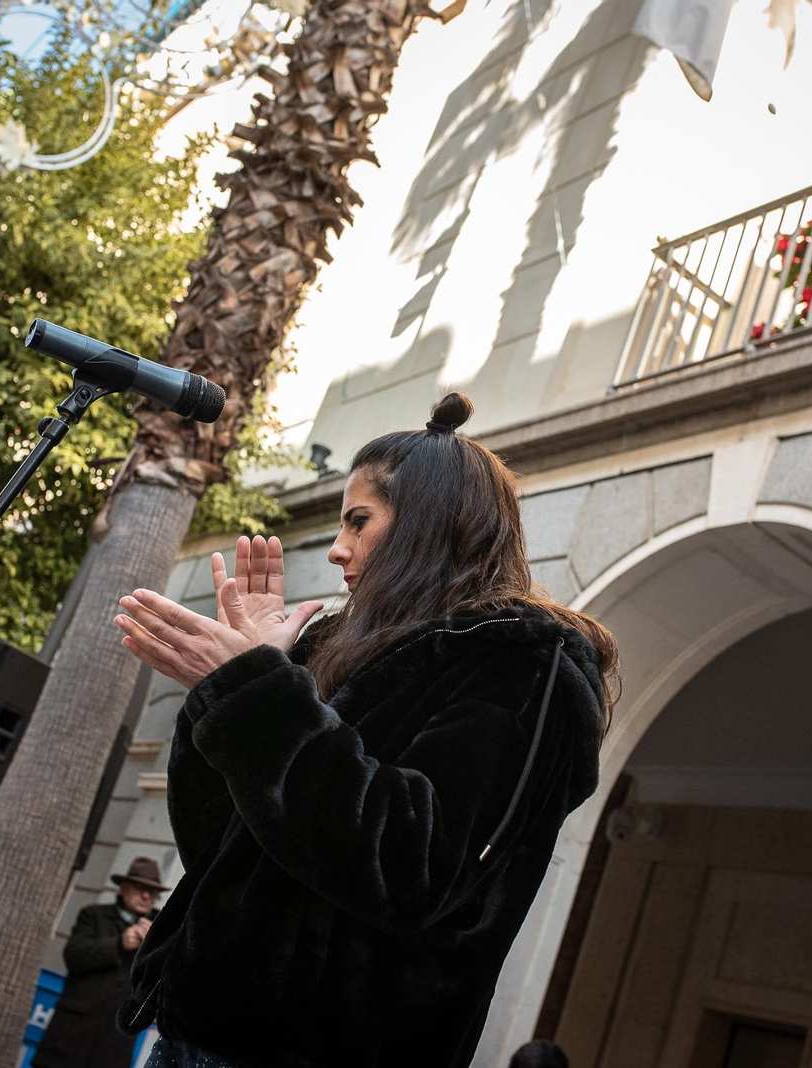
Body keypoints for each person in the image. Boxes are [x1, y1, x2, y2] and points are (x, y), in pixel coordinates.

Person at [113, 393, 617, 1067]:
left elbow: (413, 866)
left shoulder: (523, 665)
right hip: (196, 1033)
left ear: (428, 525)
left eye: (358, 521)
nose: (337, 550)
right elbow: (221, 847)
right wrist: (232, 689)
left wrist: (257, 695)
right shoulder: (336, 650)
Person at [34, 857, 170, 1068]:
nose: (146, 896)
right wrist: (119, 944)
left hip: (114, 1042)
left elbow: (166, 979)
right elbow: (74, 956)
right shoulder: (93, 915)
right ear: (122, 888)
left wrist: (155, 947)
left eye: (152, 892)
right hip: (73, 1032)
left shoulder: (163, 928)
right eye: (139, 887)